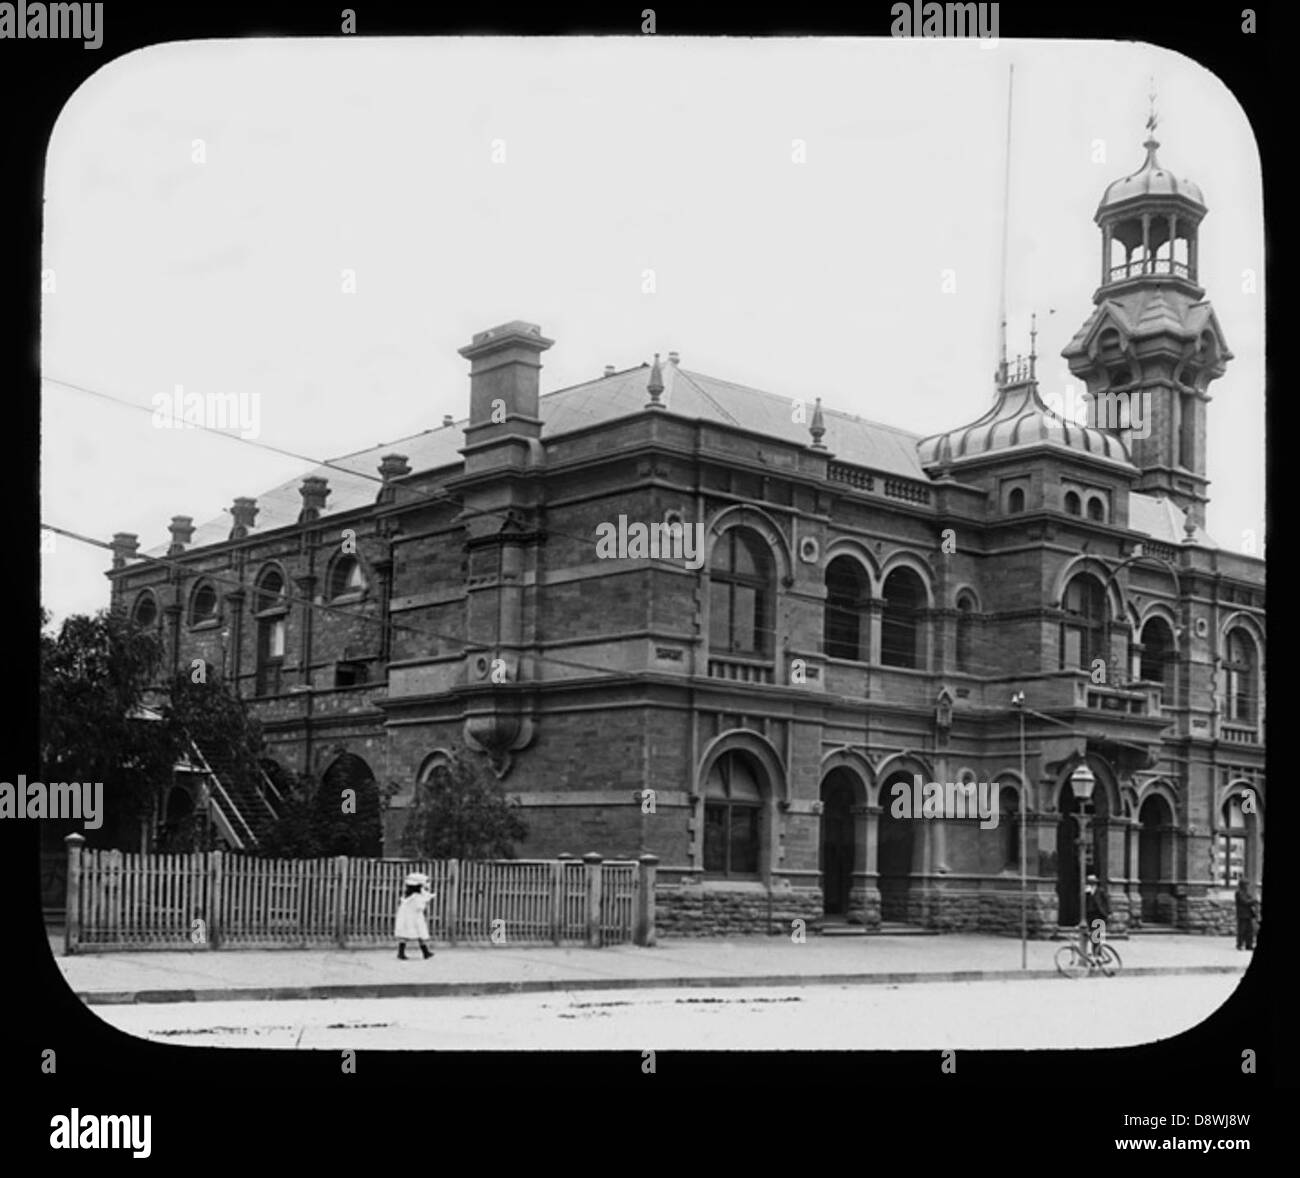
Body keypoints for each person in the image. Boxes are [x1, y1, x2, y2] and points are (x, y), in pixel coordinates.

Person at [395, 871, 435, 960]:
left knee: (405, 934)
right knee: (420, 933)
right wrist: (425, 903)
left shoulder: (408, 895)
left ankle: (401, 953)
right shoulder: (416, 896)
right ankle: (425, 952)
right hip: (414, 917)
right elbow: (420, 907)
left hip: (407, 917)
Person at [1083, 873, 1110, 956]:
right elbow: (1083, 903)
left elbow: (1106, 902)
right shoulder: (1087, 892)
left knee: (1097, 935)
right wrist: (1086, 894)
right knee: (1093, 935)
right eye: (1089, 882)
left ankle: (1097, 952)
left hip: (1099, 915)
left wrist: (1107, 913)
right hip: (1090, 916)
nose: (1090, 884)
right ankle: (1097, 952)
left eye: (1092, 882)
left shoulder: (1100, 891)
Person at [1234, 878, 1259, 951]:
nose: (1247, 886)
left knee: (1249, 931)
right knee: (1241, 930)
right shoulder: (1238, 893)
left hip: (1248, 914)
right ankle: (1240, 945)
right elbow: (1245, 902)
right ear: (1242, 885)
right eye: (1246, 885)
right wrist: (1254, 901)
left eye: (1247, 885)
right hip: (1242, 915)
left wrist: (1254, 901)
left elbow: (1250, 899)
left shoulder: (1247, 893)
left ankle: (1249, 945)